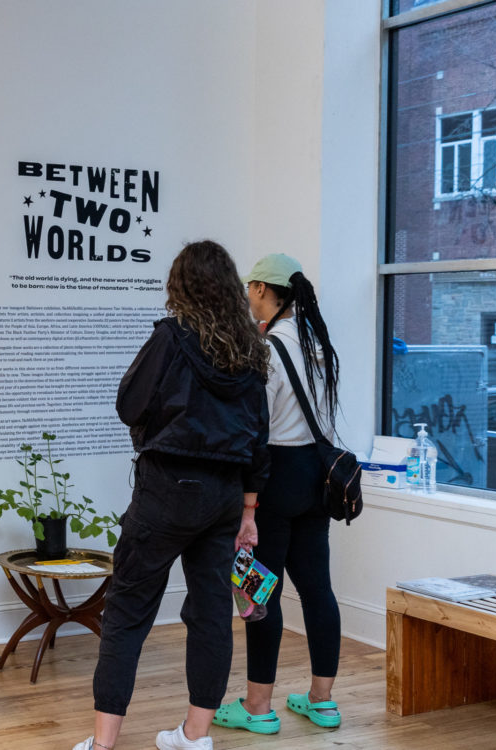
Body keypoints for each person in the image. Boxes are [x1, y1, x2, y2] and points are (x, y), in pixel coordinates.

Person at [75, 240, 270, 750]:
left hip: (168, 490)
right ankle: (194, 736)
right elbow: (258, 440)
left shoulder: (172, 337)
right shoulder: (249, 349)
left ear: (180, 286)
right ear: (230, 287)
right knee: (211, 615)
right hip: (226, 496)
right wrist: (249, 512)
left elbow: (128, 402)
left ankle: (102, 745)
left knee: (127, 612)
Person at [213, 253, 344, 736]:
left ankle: (258, 707)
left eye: (250, 287)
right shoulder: (318, 344)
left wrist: (247, 502)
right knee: (317, 590)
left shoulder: (266, 349)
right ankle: (322, 701)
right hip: (317, 477)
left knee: (257, 590)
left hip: (277, 477)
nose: (247, 296)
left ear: (266, 291)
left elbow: (256, 430)